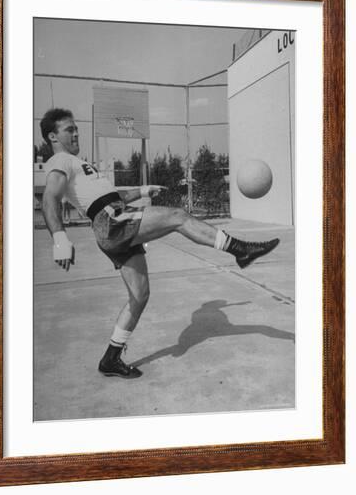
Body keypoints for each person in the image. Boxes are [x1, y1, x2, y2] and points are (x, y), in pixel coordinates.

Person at [40, 108, 280, 379]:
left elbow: (110, 194)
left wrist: (142, 191)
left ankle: (111, 357)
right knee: (178, 216)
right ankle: (240, 250)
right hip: (112, 221)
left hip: (113, 219)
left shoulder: (77, 164)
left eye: (76, 128)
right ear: (53, 136)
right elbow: (50, 198)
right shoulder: (60, 160)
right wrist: (59, 239)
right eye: (69, 129)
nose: (75, 133)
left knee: (140, 296)